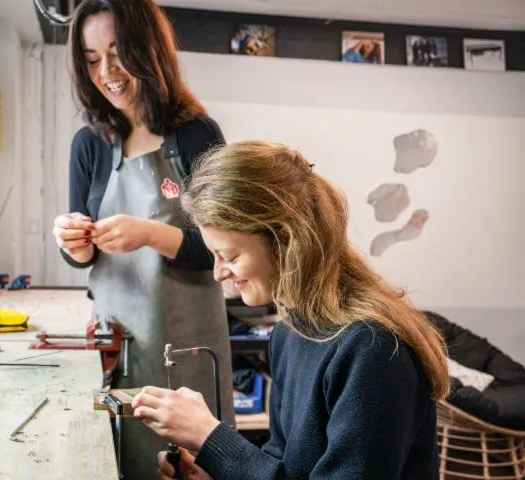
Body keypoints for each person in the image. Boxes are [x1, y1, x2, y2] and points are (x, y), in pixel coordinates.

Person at [132, 140, 451, 479]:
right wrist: (213, 471)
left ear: (284, 241)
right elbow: (283, 462)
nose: (218, 273)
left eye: (231, 256)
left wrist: (212, 438)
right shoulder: (288, 333)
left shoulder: (373, 350)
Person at [51, 0, 235, 477]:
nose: (107, 72)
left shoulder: (196, 135)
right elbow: (84, 256)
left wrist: (152, 234)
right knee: (122, 460)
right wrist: (74, 242)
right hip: (119, 347)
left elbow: (223, 249)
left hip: (188, 349)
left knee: (190, 466)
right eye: (92, 59)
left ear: (148, 49)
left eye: (118, 53)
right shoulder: (89, 144)